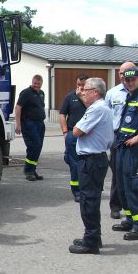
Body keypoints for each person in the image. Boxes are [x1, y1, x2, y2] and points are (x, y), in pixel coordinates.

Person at [105, 62, 138, 219]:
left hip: (135, 146)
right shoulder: (118, 93)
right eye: (124, 76)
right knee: (121, 178)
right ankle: (128, 217)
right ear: (120, 76)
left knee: (134, 181)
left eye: (132, 78)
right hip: (119, 140)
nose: (128, 81)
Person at [68, 77, 114, 254]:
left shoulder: (96, 109)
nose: (82, 93)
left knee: (88, 201)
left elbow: (77, 131)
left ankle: (91, 242)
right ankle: (94, 236)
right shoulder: (100, 107)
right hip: (95, 159)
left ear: (95, 92)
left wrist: (77, 126)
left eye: (85, 90)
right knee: (91, 200)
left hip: (91, 160)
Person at [59, 73, 89, 202]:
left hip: (88, 135)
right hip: (72, 133)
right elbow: (62, 114)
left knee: (88, 163)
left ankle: (87, 188)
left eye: (83, 85)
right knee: (74, 164)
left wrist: (82, 98)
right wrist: (65, 132)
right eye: (78, 85)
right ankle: (76, 191)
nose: (80, 87)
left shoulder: (91, 98)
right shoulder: (70, 97)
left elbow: (94, 109)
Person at [15, 75, 46, 181]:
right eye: (35, 83)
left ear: (41, 84)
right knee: (34, 146)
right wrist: (18, 124)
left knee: (38, 147)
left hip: (40, 123)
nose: (36, 85)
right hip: (29, 123)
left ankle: (33, 170)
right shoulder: (26, 93)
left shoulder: (41, 93)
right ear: (32, 82)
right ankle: (28, 171)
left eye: (39, 84)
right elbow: (18, 107)